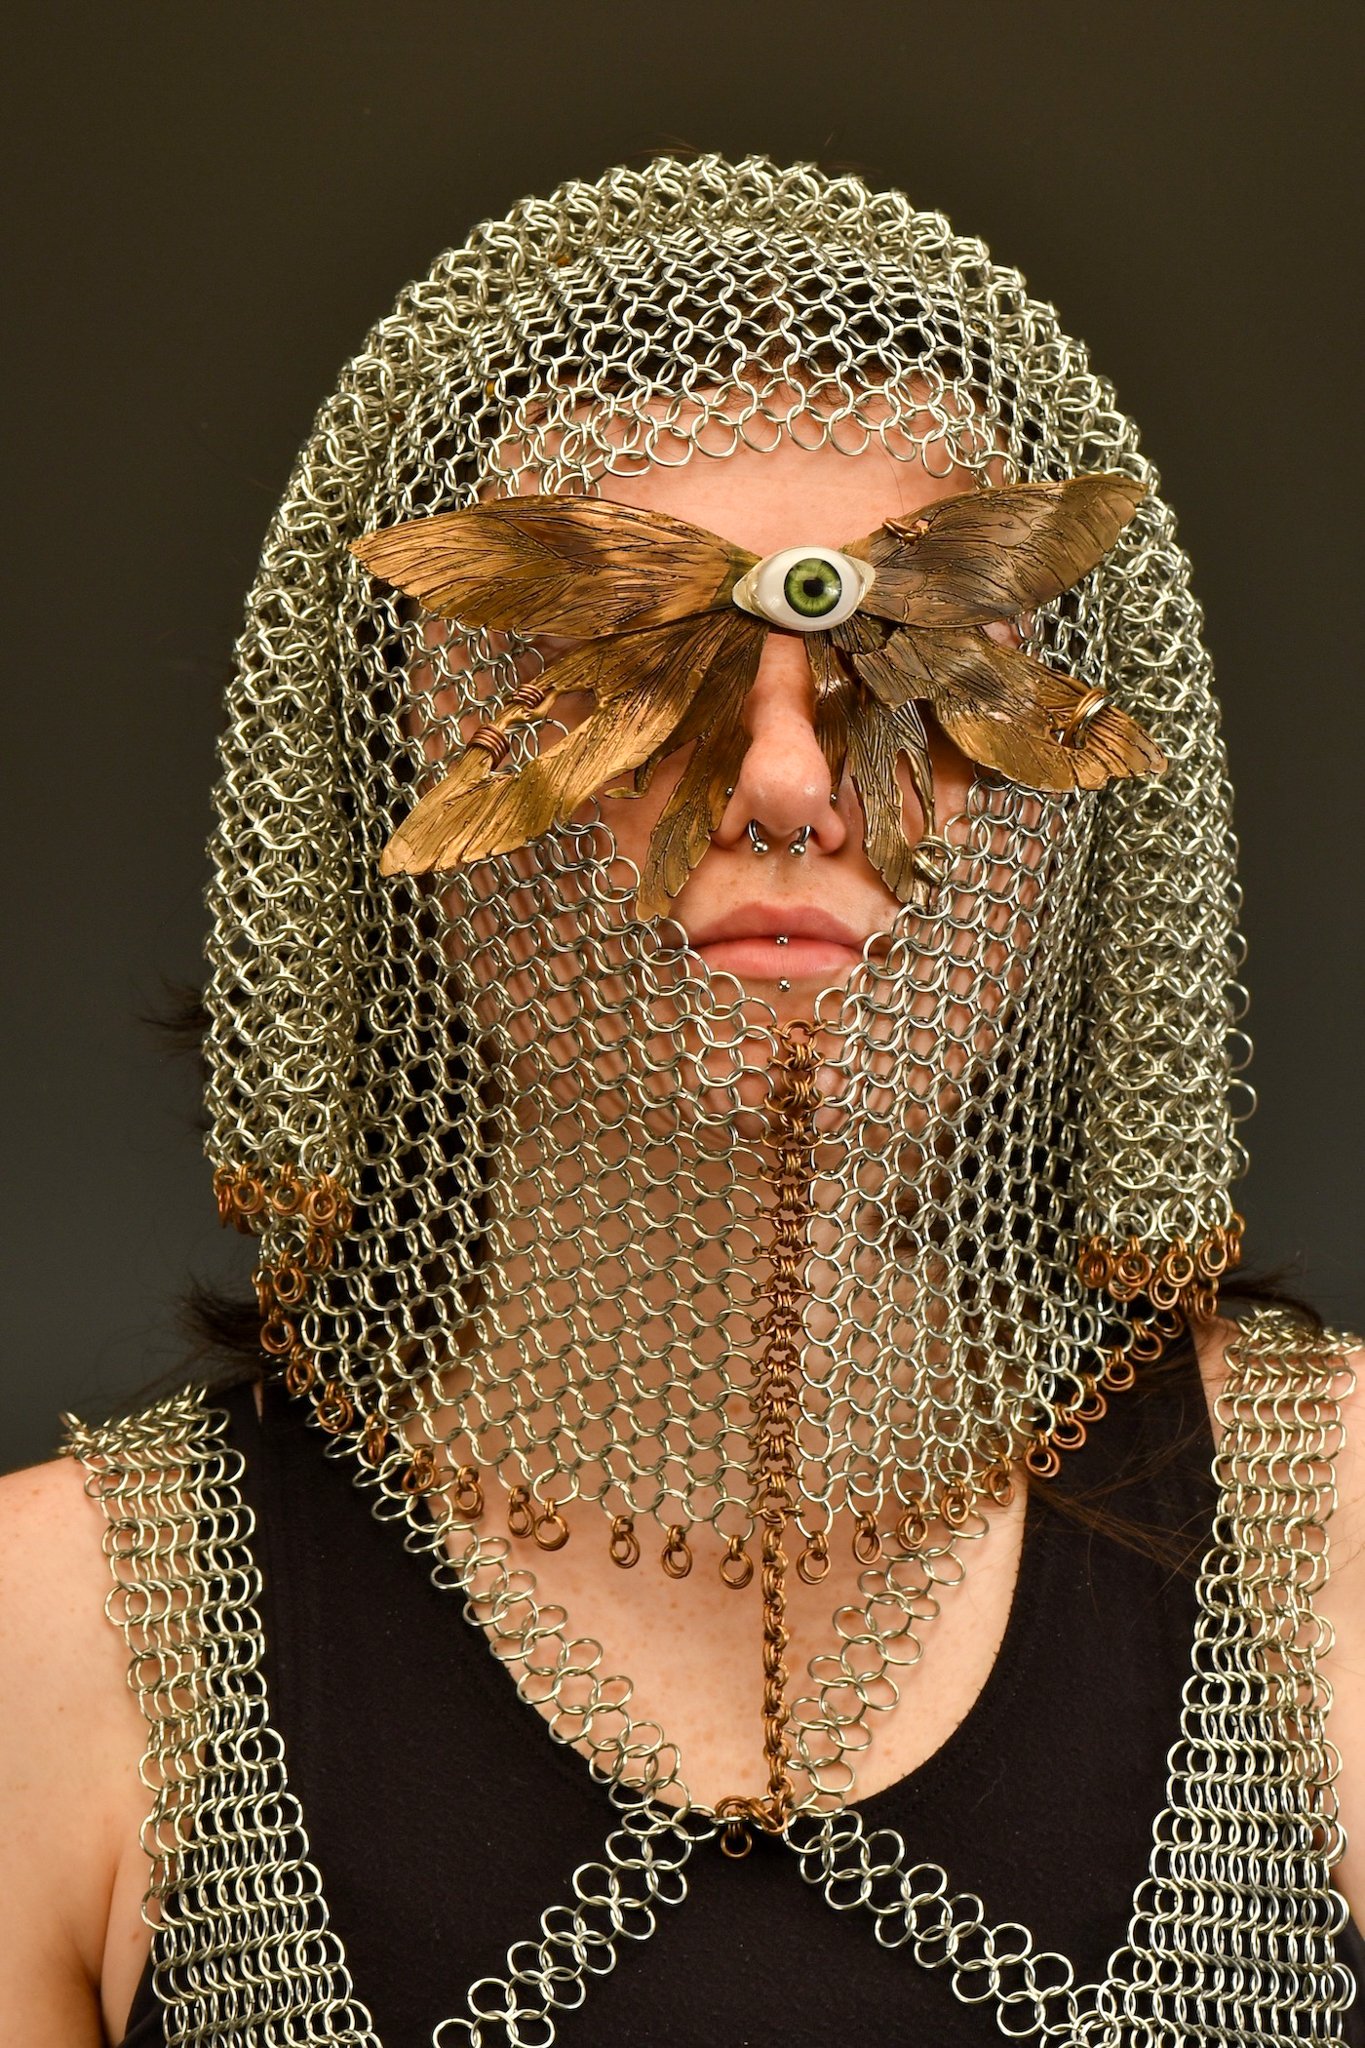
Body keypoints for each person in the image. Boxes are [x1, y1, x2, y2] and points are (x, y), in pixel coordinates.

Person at [1, 154, 1361, 2048]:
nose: (788, 789)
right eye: (617, 669)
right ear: (382, 768)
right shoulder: (56, 1649)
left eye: (926, 664)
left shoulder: (1342, 1551)